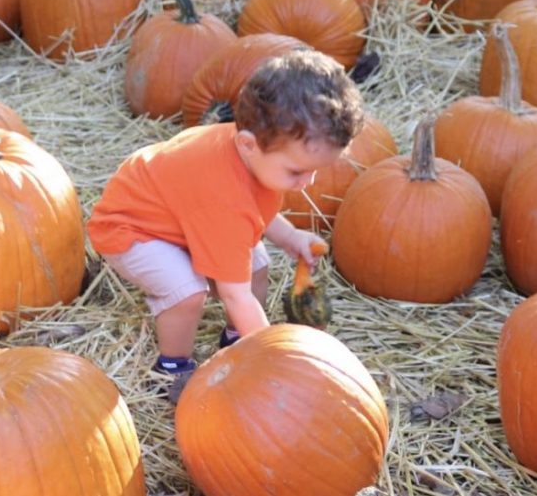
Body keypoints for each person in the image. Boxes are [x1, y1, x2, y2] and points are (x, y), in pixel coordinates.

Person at [87, 48, 365, 393]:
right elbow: (235, 294)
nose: (306, 183)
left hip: (183, 217)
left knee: (257, 264)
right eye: (297, 171)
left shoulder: (256, 159)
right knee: (186, 291)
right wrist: (274, 357)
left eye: (314, 172)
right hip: (133, 229)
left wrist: (290, 236)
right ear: (248, 144)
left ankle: (237, 339)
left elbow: (257, 211)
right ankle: (171, 368)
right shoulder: (223, 196)